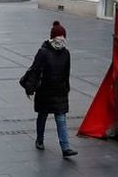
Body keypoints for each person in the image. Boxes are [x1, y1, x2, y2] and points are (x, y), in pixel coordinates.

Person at [21, 21, 78, 158]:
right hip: (45, 91)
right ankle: (39, 139)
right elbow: (35, 70)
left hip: (59, 92)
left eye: (63, 37)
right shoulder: (43, 52)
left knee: (61, 119)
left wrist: (66, 89)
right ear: (52, 38)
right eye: (58, 37)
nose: (61, 40)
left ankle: (65, 147)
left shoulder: (66, 53)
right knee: (42, 116)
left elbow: (66, 73)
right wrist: (30, 88)